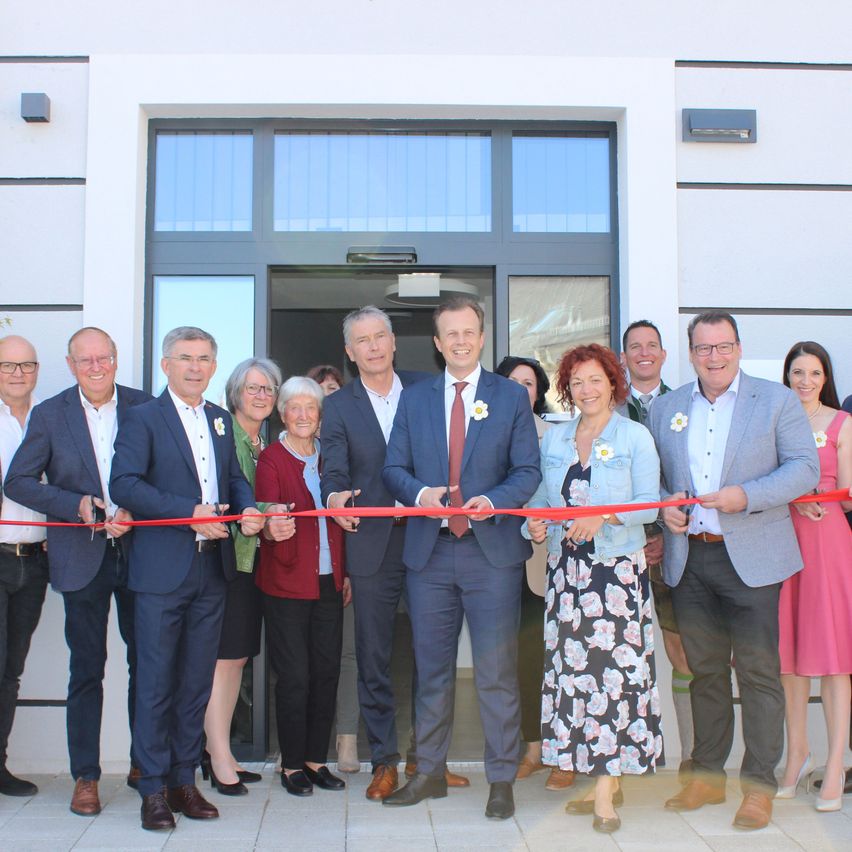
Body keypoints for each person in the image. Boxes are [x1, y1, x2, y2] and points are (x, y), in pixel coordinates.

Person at [646, 311, 819, 831]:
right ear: (691, 352)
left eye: (723, 347)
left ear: (739, 349)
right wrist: (664, 506)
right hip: (690, 559)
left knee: (760, 674)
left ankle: (759, 786)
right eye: (703, 348)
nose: (714, 357)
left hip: (754, 560)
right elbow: (654, 479)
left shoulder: (776, 400)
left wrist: (747, 496)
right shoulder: (669, 406)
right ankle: (706, 776)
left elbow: (804, 468)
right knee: (705, 674)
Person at [383, 295, 541, 820]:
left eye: (469, 331)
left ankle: (501, 779)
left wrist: (494, 501)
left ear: (481, 335)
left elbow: (527, 470)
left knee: (496, 671)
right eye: (450, 333)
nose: (460, 340)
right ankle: (428, 772)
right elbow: (393, 468)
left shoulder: (510, 397)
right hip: (428, 554)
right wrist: (420, 494)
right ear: (437, 342)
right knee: (431, 670)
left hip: (490, 552)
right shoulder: (416, 398)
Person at [109, 326, 264, 831]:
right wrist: (187, 513)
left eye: (203, 358)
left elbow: (236, 481)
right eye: (184, 358)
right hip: (160, 570)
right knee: (156, 683)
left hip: (210, 569)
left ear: (214, 366)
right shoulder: (142, 418)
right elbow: (124, 483)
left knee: (196, 681)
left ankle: (183, 781)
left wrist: (248, 511)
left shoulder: (221, 421)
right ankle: (152, 788)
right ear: (165, 365)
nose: (195, 367)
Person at [5, 328, 150, 815]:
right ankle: (85, 776)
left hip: (138, 555)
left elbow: (162, 476)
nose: (95, 366)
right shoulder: (50, 415)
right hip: (79, 556)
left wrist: (137, 509)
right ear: (70, 365)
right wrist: (75, 505)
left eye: (103, 358)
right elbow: (19, 481)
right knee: (86, 669)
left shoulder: (143, 406)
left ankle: (142, 766)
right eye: (84, 359)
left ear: (115, 359)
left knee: (145, 665)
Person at [524, 344, 662, 834]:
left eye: (595, 379)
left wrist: (602, 515)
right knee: (575, 680)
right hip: (567, 578)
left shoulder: (635, 436)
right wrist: (535, 527)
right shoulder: (557, 439)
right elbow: (541, 498)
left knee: (613, 680)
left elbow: (650, 505)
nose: (586, 389)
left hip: (616, 578)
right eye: (576, 381)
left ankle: (606, 792)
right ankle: (596, 775)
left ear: (613, 382)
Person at [320, 308, 455, 799]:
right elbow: (333, 471)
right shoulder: (338, 407)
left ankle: (428, 759)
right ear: (350, 353)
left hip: (427, 540)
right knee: (374, 657)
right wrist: (333, 500)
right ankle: (385, 761)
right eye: (363, 340)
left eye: (381, 337)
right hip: (372, 543)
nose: (373, 347)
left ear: (394, 342)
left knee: (431, 655)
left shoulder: (428, 388)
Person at [255, 376, 350, 797]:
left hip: (329, 582)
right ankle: (291, 763)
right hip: (287, 583)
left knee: (326, 673)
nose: (302, 415)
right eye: (294, 407)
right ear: (282, 413)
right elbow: (268, 515)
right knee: (294, 676)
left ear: (319, 415)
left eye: (310, 407)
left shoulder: (330, 457)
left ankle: (316, 760)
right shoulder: (272, 460)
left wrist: (343, 573)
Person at [200, 358, 290, 795]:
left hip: (255, 564)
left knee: (237, 658)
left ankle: (223, 752)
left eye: (268, 389)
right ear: (235, 393)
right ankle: (216, 754)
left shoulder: (265, 445)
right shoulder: (222, 435)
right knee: (224, 660)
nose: (260, 395)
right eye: (252, 388)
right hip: (226, 563)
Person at [776, 341, 851, 811]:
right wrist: (791, 495)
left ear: (826, 378)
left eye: (815, 373)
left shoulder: (843, 423)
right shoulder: (774, 422)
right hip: (781, 541)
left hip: (828, 543)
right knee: (789, 657)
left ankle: (837, 763)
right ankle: (797, 754)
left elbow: (847, 493)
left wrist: (814, 494)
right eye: (798, 372)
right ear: (787, 376)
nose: (805, 381)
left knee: (836, 659)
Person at [619, 320, 694, 779]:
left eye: (652, 346)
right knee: (621, 657)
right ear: (623, 357)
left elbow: (688, 480)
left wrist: (665, 537)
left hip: (672, 552)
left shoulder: (685, 406)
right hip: (619, 551)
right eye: (634, 347)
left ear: (664, 355)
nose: (644, 353)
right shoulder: (607, 409)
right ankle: (626, 758)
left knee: (681, 652)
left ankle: (692, 758)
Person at [493, 356, 567, 790]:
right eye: (512, 382)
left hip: (544, 562)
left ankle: (559, 749)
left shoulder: (557, 437)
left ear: (539, 392)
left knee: (552, 658)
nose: (521, 390)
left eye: (529, 383)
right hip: (497, 559)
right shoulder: (483, 432)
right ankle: (529, 746)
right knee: (512, 660)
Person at [0, 336, 48, 798]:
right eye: (8, 366)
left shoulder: (47, 419)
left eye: (26, 365)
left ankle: (0, 764)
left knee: (11, 669)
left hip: (34, 562)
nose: (18, 374)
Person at [307, 362, 360, 776]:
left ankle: (347, 738)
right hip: (301, 574)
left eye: (332, 395)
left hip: (347, 565)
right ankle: (309, 743)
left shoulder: (348, 454)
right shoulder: (291, 452)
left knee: (346, 655)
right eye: (317, 396)